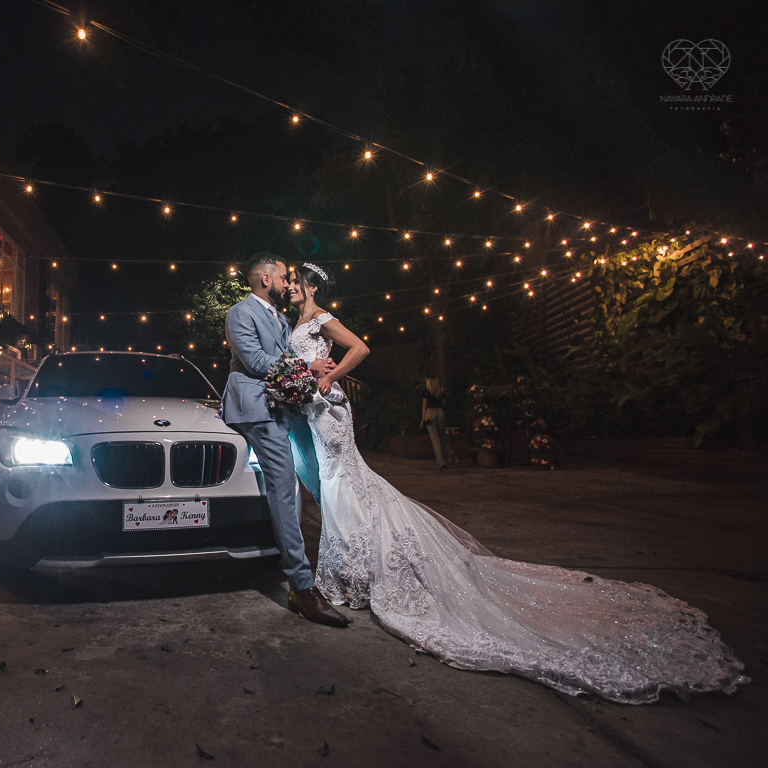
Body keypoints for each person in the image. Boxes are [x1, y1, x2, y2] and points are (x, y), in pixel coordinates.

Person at [286, 262, 748, 704]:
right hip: (311, 413)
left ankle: (354, 574)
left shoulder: (322, 318)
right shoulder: (295, 323)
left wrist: (330, 378)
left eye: (292, 281)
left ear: (309, 286)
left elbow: (361, 349)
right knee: (336, 484)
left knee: (342, 479)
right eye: (286, 282)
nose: (288, 287)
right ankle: (352, 571)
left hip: (330, 412)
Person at [223, 252, 347, 627]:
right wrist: (309, 367)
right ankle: (301, 586)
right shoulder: (240, 313)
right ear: (265, 279)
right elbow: (256, 362)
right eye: (282, 278)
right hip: (258, 408)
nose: (287, 284)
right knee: (284, 488)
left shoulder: (279, 316)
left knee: (314, 480)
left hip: (284, 408)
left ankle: (336, 564)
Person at [420, 377, 449, 469]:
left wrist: (423, 419)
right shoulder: (442, 392)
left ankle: (441, 461)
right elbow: (444, 403)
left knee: (435, 438)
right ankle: (445, 458)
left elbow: (424, 406)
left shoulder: (426, 391)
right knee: (442, 437)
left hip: (430, 412)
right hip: (440, 412)